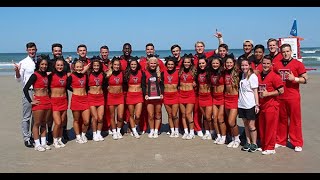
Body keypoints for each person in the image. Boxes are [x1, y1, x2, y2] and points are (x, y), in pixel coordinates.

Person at [273, 44, 308, 152]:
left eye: (287, 51)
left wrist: (295, 79)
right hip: (280, 96)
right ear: (281, 52)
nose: (285, 53)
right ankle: (281, 140)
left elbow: (305, 79)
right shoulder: (277, 64)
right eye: (283, 52)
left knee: (295, 120)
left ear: (291, 51)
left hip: (293, 96)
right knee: (281, 120)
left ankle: (297, 142)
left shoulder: (298, 64)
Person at [23, 54, 51, 151]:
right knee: (37, 123)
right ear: (38, 64)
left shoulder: (46, 75)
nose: (44, 66)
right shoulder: (34, 75)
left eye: (46, 64)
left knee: (44, 123)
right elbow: (25, 89)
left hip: (47, 100)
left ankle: (43, 143)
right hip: (38, 101)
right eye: (42, 64)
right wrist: (31, 101)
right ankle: (37, 144)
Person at [257, 55, 284, 155]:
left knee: (271, 127)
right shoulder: (258, 75)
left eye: (268, 63)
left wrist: (269, 94)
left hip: (272, 105)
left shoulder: (275, 76)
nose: (265, 65)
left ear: (271, 64)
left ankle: (271, 147)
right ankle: (264, 145)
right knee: (262, 126)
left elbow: (281, 90)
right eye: (264, 63)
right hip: (262, 105)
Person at [14, 42, 37, 148]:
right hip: (28, 91)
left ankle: (33, 135)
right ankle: (26, 138)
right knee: (26, 116)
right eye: (30, 50)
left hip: (39, 92)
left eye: (33, 49)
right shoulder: (23, 62)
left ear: (36, 50)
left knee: (36, 116)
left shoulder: (39, 61)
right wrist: (17, 71)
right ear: (27, 50)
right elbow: (18, 80)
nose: (32, 51)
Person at [238, 58, 260, 153]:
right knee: (245, 124)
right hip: (242, 104)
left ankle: (254, 143)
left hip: (250, 104)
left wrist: (257, 105)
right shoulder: (242, 75)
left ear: (250, 65)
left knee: (252, 125)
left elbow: (255, 91)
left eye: (246, 65)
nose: (244, 67)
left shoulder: (253, 76)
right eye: (242, 65)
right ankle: (248, 142)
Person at [67, 60, 90, 144]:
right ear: (74, 67)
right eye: (77, 67)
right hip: (76, 99)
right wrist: (74, 90)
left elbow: (87, 87)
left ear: (83, 67)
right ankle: (78, 136)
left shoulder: (85, 76)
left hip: (85, 99)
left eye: (80, 67)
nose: (79, 68)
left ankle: (83, 134)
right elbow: (67, 86)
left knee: (86, 121)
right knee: (76, 119)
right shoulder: (71, 76)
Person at [47, 57, 69, 148]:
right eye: (58, 65)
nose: (60, 67)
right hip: (54, 101)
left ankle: (59, 139)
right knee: (58, 122)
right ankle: (55, 139)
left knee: (63, 122)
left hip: (63, 100)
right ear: (55, 66)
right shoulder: (51, 75)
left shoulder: (65, 75)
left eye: (61, 65)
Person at [142, 56, 164, 138]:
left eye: (154, 63)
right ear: (148, 64)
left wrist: (162, 93)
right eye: (151, 63)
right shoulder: (145, 73)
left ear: (157, 64)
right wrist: (145, 94)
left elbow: (162, 85)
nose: (153, 65)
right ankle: (151, 130)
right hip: (149, 97)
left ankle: (156, 130)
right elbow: (143, 85)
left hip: (158, 97)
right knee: (150, 115)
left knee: (158, 114)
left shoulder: (160, 73)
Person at [124, 58, 144, 138]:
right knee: (131, 114)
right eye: (132, 64)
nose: (133, 66)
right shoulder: (127, 74)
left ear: (137, 65)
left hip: (139, 95)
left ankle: (135, 127)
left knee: (138, 115)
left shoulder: (141, 73)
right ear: (129, 65)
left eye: (135, 64)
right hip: (130, 95)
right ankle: (134, 131)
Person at [106, 57, 125, 140]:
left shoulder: (122, 73)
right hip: (111, 96)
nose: (116, 66)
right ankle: (114, 131)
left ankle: (118, 131)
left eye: (118, 65)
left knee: (120, 116)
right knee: (112, 116)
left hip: (120, 96)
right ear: (112, 65)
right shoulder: (108, 74)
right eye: (115, 65)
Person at [224, 54, 241, 148]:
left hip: (234, 99)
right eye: (227, 62)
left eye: (230, 62)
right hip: (226, 98)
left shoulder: (238, 72)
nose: (229, 64)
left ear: (234, 63)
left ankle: (237, 138)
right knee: (231, 121)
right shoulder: (224, 72)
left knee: (231, 121)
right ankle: (234, 138)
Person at [209, 56, 227, 145]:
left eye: (216, 63)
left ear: (220, 64)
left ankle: (224, 137)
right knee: (214, 118)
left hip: (222, 98)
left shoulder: (223, 72)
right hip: (214, 98)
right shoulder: (211, 73)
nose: (215, 65)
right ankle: (219, 135)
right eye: (213, 63)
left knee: (220, 118)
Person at [88, 58, 106, 142]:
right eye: (94, 65)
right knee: (94, 117)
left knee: (101, 117)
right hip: (91, 97)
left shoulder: (103, 74)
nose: (96, 67)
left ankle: (99, 133)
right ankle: (94, 133)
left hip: (100, 97)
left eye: (97, 65)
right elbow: (79, 72)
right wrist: (87, 67)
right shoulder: (88, 74)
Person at [179, 54, 197, 140]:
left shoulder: (194, 71)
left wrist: (195, 84)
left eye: (188, 62)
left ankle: (192, 132)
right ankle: (186, 131)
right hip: (181, 94)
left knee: (188, 114)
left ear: (191, 63)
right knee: (183, 115)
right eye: (185, 62)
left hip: (190, 94)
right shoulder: (180, 71)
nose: (186, 63)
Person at [196, 55, 213, 140]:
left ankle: (212, 131)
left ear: (206, 63)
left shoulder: (210, 72)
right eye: (200, 63)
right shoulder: (198, 73)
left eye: (203, 63)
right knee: (205, 116)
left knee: (209, 116)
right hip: (201, 96)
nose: (201, 65)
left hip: (208, 96)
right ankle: (207, 132)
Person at [162, 56, 180, 137]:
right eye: (168, 64)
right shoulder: (163, 73)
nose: (170, 66)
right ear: (166, 65)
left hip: (175, 96)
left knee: (174, 114)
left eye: (172, 64)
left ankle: (176, 130)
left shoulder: (178, 73)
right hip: (166, 96)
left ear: (174, 65)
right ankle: (172, 130)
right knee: (169, 115)